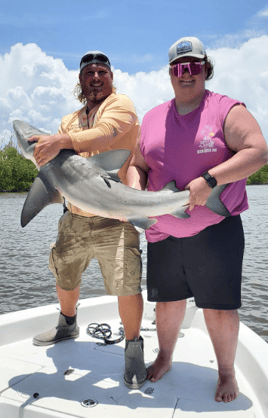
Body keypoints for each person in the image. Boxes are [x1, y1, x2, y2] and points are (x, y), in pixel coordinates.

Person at [126, 37, 268, 402]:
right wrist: (136, 193)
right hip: (161, 229)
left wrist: (210, 181)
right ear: (170, 74)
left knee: (219, 307)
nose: (185, 74)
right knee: (167, 300)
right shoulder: (153, 116)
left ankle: (225, 372)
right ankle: (165, 356)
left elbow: (259, 151)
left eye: (193, 66)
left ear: (206, 68)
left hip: (215, 228)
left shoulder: (226, 109)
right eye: (178, 68)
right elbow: (138, 167)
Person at [29, 51, 147, 389]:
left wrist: (61, 142)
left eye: (102, 72)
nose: (95, 78)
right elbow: (61, 163)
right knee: (64, 274)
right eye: (89, 73)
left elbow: (107, 135)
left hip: (116, 216)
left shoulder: (121, 105)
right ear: (80, 81)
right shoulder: (68, 121)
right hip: (74, 216)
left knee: (126, 282)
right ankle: (68, 323)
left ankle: (133, 348)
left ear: (111, 78)